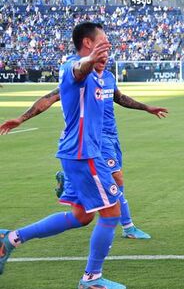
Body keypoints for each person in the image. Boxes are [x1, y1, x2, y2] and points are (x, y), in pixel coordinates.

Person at [0, 22, 127, 289]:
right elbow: (77, 70)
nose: (108, 46)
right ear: (88, 43)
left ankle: (10, 239)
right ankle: (91, 277)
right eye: (103, 41)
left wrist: (22, 118)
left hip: (75, 153)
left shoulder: (95, 74)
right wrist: (89, 61)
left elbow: (52, 96)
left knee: (81, 216)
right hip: (84, 155)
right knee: (111, 211)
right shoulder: (75, 67)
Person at [0, 66, 168, 240]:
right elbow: (49, 98)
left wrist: (147, 108)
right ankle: (128, 226)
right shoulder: (81, 79)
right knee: (116, 177)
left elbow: (120, 98)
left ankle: (69, 179)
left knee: (88, 209)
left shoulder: (109, 76)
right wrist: (21, 118)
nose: (104, 56)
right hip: (94, 136)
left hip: (111, 134)